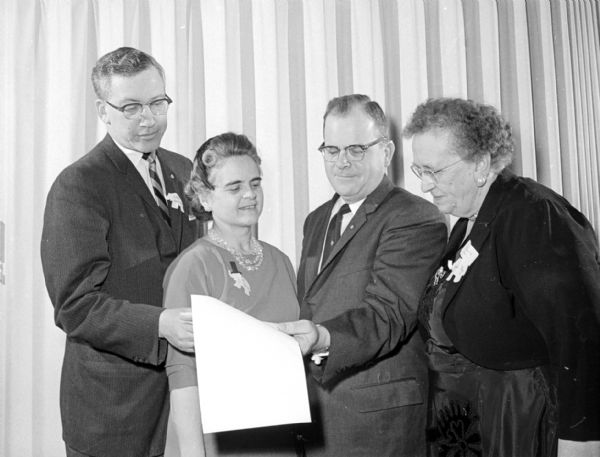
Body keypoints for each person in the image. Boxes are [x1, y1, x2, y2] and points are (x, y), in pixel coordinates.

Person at [402, 97, 600, 457]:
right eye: (420, 171)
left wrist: (581, 441)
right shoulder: (469, 218)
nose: (425, 186)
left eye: (435, 171)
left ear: (480, 164)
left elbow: (580, 334)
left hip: (516, 415)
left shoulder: (533, 213)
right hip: (467, 416)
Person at [40, 47, 199, 457]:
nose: (148, 118)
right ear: (102, 110)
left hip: (187, 401)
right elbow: (75, 304)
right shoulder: (78, 185)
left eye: (157, 103)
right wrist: (160, 324)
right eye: (131, 107)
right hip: (113, 412)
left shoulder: (185, 170)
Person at [274, 94, 447, 457]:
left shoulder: (414, 217)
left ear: (386, 152)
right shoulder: (317, 219)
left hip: (379, 422)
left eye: (356, 149)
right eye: (332, 150)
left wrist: (322, 338)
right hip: (318, 417)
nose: (342, 162)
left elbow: (387, 314)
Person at [164, 132, 300, 457]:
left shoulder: (280, 261)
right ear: (205, 197)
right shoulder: (194, 266)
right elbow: (182, 376)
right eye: (234, 187)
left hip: (278, 437)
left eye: (255, 183)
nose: (250, 195)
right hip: (221, 444)